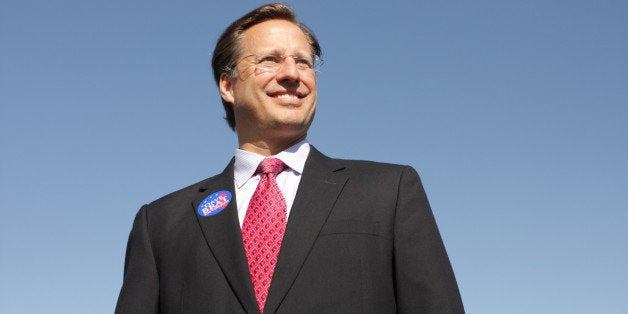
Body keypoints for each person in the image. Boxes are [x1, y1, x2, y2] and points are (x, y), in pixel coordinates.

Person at [115, 3, 464, 313]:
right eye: (269, 60)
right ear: (227, 85)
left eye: (303, 62)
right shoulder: (160, 223)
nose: (292, 74)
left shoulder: (389, 192)